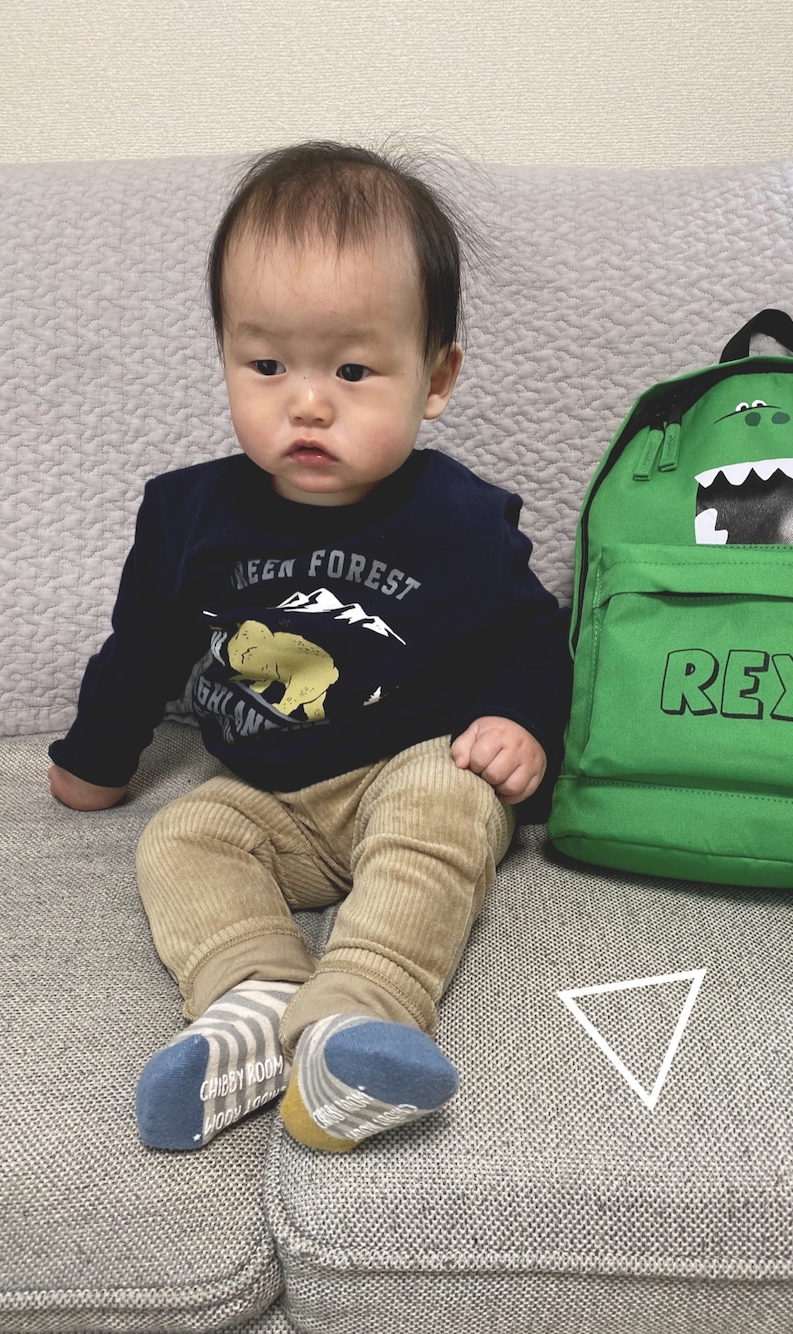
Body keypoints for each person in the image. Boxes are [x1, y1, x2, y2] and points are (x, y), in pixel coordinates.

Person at [48, 141, 571, 1154]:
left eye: (353, 369)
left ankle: (358, 1015)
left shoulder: (459, 520)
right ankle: (251, 998)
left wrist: (519, 720)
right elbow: (142, 647)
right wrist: (94, 762)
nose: (309, 402)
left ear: (435, 378)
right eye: (267, 365)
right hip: (268, 798)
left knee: (453, 798)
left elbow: (534, 636)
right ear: (226, 357)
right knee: (182, 836)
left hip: (404, 769)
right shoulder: (188, 515)